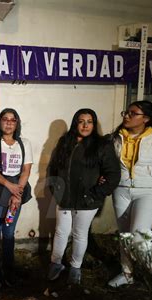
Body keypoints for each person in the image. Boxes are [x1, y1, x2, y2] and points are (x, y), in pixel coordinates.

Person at [108, 100, 152, 287]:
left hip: (148, 192)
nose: (126, 116)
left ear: (146, 118)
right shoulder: (116, 138)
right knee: (125, 236)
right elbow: (109, 166)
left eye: (133, 113)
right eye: (126, 112)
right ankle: (127, 273)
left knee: (139, 237)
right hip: (121, 191)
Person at [47, 109, 120, 285]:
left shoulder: (102, 145)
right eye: (81, 121)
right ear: (75, 123)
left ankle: (75, 267)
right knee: (61, 232)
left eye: (89, 121)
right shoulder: (65, 142)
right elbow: (53, 168)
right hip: (65, 198)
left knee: (79, 234)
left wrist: (95, 194)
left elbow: (113, 175)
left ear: (94, 125)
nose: (85, 125)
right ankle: (56, 263)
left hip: (87, 201)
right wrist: (56, 189)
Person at [0, 108, 33, 289]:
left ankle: (9, 269)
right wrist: (9, 186)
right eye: (5, 119)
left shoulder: (24, 143)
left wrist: (17, 194)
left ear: (17, 123)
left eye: (13, 120)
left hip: (16, 193)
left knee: (9, 232)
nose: (9, 122)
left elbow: (26, 170)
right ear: (0, 122)